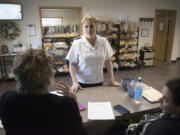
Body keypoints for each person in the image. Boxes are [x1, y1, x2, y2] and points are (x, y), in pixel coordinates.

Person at [0, 49, 84, 135]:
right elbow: (77, 129)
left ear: (16, 73)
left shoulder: (6, 99)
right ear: (49, 74)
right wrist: (74, 99)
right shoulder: (67, 104)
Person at [66, 14, 120, 92]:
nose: (89, 29)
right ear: (83, 28)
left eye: (91, 26)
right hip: (82, 83)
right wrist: (74, 82)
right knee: (83, 103)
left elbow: (108, 62)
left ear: (96, 26)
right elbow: (72, 65)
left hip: (98, 82)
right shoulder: (77, 42)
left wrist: (112, 80)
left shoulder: (103, 41)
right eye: (86, 26)